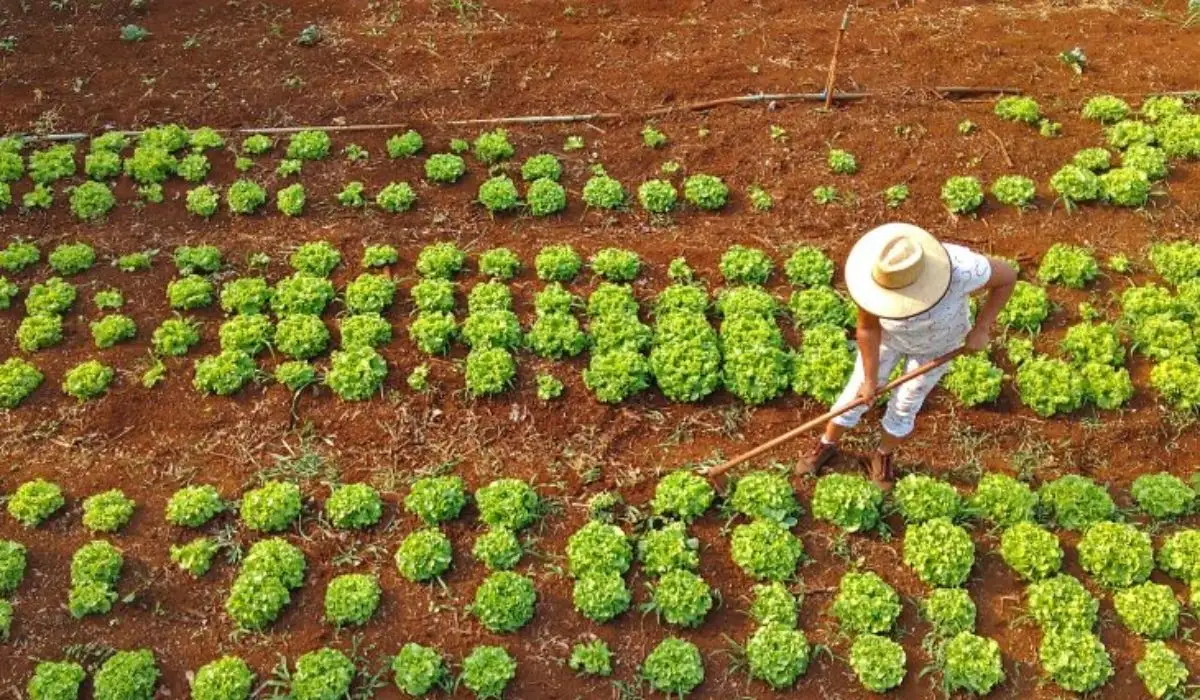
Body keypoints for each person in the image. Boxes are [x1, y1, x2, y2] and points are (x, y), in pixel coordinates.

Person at [797, 222, 1017, 488]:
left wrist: (982, 328)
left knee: (906, 405)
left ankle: (882, 455)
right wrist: (869, 381)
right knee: (854, 396)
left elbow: (1007, 277)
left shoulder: (961, 269)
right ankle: (827, 444)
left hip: (938, 346)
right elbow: (867, 328)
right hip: (888, 340)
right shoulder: (872, 278)